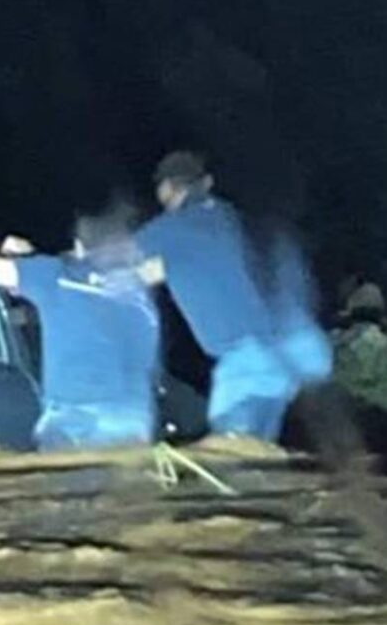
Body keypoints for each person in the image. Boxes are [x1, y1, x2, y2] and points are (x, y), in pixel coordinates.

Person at [135, 150, 333, 441]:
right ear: (207, 183)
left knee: (229, 457)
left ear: (165, 189)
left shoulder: (174, 228)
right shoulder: (226, 218)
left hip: (247, 359)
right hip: (292, 353)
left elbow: (111, 262)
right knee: (256, 452)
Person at [0, 212, 160, 451]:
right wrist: (30, 257)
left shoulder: (59, 277)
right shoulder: (141, 299)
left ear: (78, 247)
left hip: (76, 418)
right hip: (133, 418)